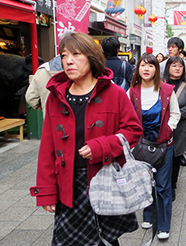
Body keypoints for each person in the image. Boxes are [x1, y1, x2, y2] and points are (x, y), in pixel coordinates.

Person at [30, 32, 143, 246]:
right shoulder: (56, 96)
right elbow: (47, 147)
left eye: (76, 54)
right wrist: (46, 191)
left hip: (104, 181)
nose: (68, 60)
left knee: (104, 241)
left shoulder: (115, 93)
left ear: (91, 57)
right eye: (64, 55)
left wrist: (102, 146)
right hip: (68, 183)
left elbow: (133, 130)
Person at [128, 53, 180, 240]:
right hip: (141, 146)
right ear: (138, 69)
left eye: (151, 66)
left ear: (156, 70)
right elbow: (126, 117)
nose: (146, 69)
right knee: (145, 183)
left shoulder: (166, 90)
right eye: (143, 65)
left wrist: (168, 128)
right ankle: (148, 215)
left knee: (163, 186)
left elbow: (176, 113)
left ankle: (164, 225)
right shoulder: (132, 92)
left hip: (164, 145)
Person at [163, 56, 186, 201]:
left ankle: (172, 185)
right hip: (161, 128)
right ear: (168, 67)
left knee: (176, 156)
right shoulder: (159, 84)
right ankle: (160, 183)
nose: (177, 68)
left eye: (180, 66)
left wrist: (175, 116)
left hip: (179, 128)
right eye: (174, 65)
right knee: (161, 156)